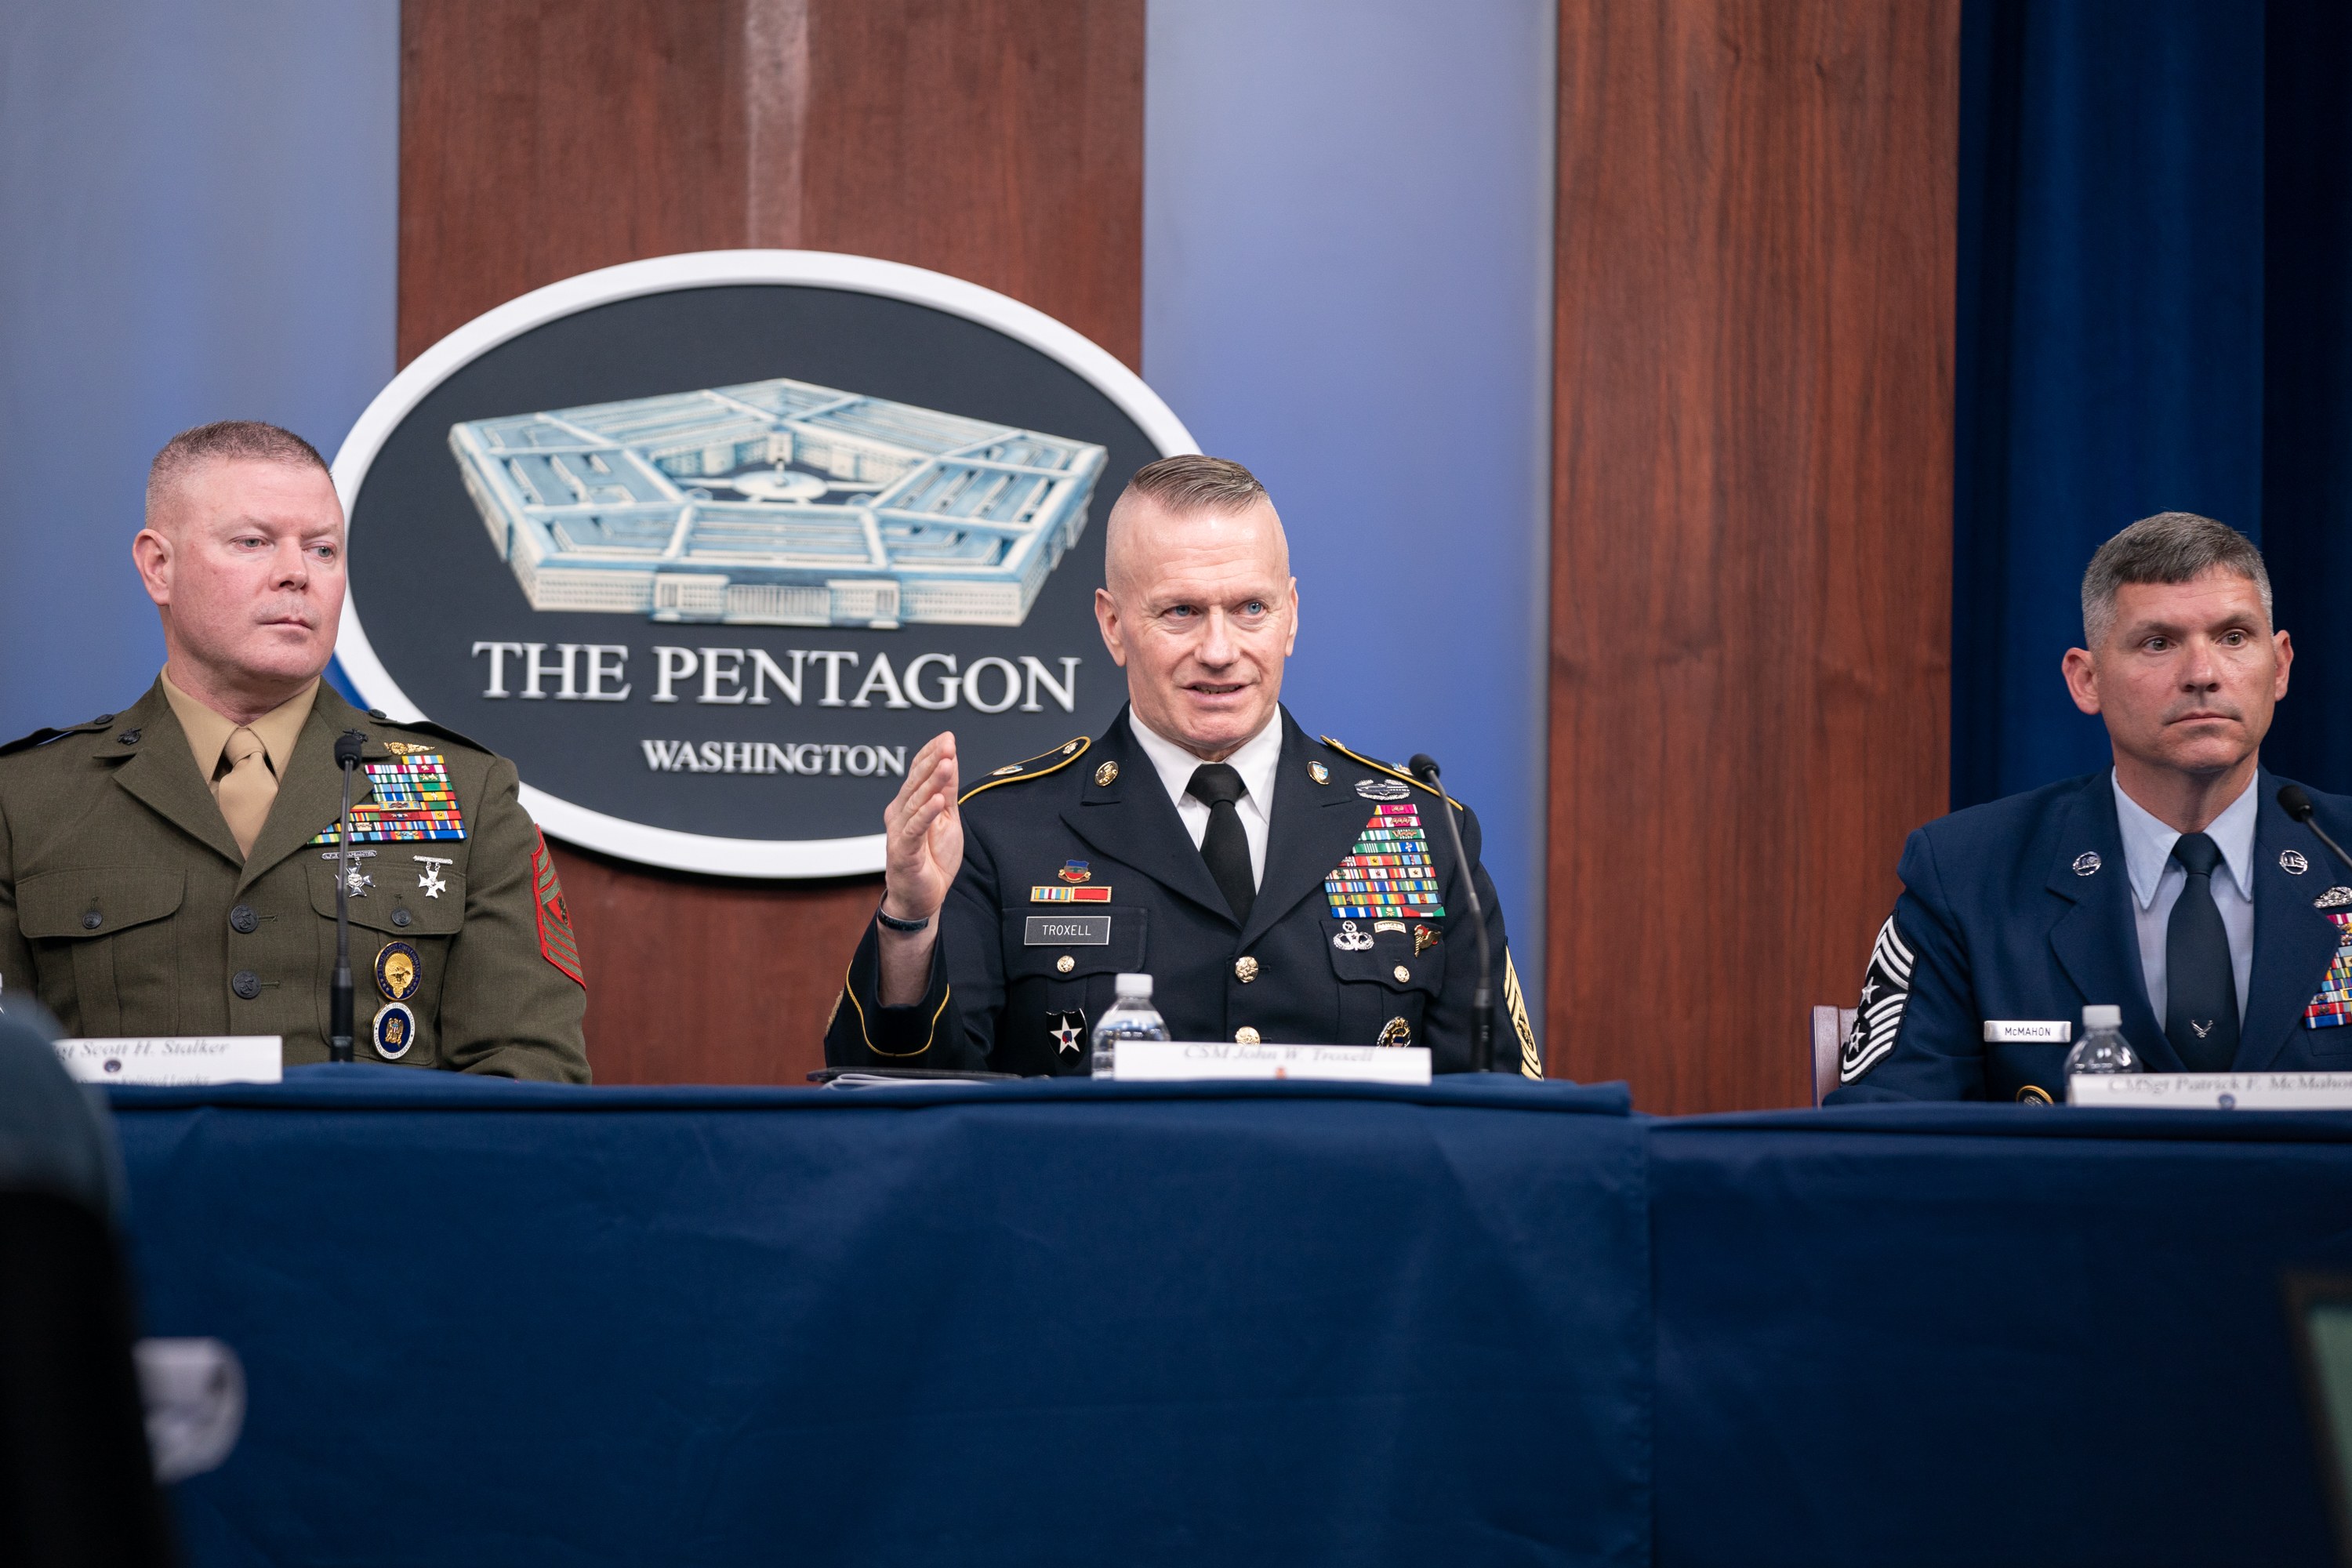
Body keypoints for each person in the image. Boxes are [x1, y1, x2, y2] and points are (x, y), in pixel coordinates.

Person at [823, 454, 1541, 1076]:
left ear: (1291, 615)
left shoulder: (1424, 830)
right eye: (1181, 612)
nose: (1220, 650)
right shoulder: (1002, 832)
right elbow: (905, 1100)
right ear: (1113, 625)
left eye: (1251, 608)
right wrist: (910, 922)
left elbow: (1500, 1104)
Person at [0, 421, 589, 1080]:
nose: (296, 574)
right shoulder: (24, 801)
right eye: (253, 542)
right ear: (159, 566)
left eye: (322, 549)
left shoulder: (465, 793)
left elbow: (530, 1072)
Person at [1831, 511, 2352, 1103]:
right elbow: (1887, 1120)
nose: (2203, 674)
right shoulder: (1967, 875)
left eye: (2233, 637)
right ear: (2087, 680)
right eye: (2158, 643)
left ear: (2279, 666)